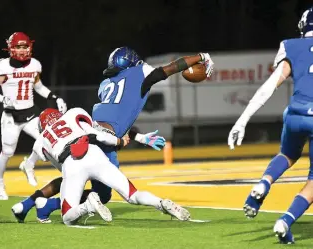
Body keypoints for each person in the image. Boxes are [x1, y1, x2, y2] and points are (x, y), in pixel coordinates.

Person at [14, 46, 213, 221]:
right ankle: (49, 205)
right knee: (106, 194)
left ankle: (35, 203)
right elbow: (172, 68)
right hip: (103, 143)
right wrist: (200, 56)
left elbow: (111, 119)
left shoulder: (105, 85)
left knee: (72, 175)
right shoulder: (140, 73)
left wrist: (139, 137)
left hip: (90, 136)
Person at [12, 107, 190, 225]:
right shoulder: (73, 113)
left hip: (72, 164)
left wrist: (28, 170)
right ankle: (160, 203)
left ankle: (87, 206)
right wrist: (120, 141)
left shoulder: (41, 141)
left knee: (67, 217)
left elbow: (57, 168)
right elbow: (98, 135)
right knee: (133, 195)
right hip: (94, 153)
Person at [228, 8, 313, 244]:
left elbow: (268, 86)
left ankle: (264, 182)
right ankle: (285, 220)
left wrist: (242, 119)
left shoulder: (291, 46)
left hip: (295, 113)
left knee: (287, 154)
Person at [0, 32, 67, 200]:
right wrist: (3, 99)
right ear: (10, 48)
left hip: (30, 112)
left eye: (24, 47)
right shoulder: (3, 67)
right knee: (7, 152)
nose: (22, 50)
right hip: (11, 116)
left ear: (30, 47)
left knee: (45, 140)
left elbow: (39, 87)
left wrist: (55, 97)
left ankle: (28, 165)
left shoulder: (34, 65)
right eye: (18, 47)